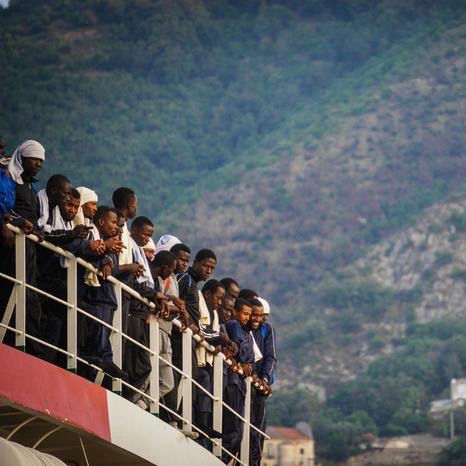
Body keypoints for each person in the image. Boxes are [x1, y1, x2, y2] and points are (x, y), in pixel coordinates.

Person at [0, 140, 46, 356]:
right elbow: (7, 209)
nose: (38, 163)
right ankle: (12, 338)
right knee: (12, 287)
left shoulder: (30, 185)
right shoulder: (11, 180)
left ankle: (30, 343)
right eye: (34, 159)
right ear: (22, 158)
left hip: (28, 246)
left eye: (41, 160)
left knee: (30, 292)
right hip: (12, 244)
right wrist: (15, 223)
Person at [78, 206, 127, 380]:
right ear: (101, 222)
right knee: (96, 336)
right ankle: (99, 364)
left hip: (106, 299)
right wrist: (106, 257)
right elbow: (87, 253)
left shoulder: (110, 244)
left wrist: (106, 258)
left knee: (103, 335)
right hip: (95, 296)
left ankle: (106, 360)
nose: (116, 227)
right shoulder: (93, 236)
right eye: (113, 223)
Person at [222, 298, 254, 463]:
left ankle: (224, 459)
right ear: (235, 312)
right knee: (233, 430)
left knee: (239, 433)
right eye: (245, 313)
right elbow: (237, 349)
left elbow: (252, 359)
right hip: (234, 381)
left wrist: (248, 366)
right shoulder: (234, 325)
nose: (247, 317)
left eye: (249, 314)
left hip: (241, 383)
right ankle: (220, 459)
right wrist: (244, 363)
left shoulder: (248, 333)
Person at [249, 298, 277, 466]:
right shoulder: (241, 327)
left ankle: (254, 461)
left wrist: (264, 378)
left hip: (260, 386)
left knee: (257, 429)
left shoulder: (267, 330)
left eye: (264, 316)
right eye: (258, 315)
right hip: (244, 381)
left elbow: (271, 357)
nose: (260, 320)